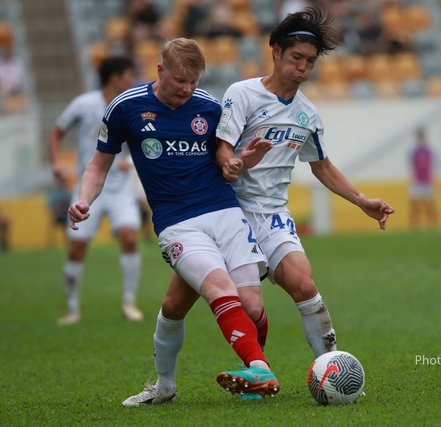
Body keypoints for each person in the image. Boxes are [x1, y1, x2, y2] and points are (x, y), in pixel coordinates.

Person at [157, 8, 393, 371]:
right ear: (276, 52)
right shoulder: (243, 93)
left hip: (272, 215)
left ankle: (332, 368)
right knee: (176, 305)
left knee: (304, 284)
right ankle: (167, 382)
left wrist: (362, 201)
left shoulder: (307, 114)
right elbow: (222, 147)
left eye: (310, 61)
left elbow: (322, 165)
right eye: (296, 57)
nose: (303, 67)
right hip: (226, 210)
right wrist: (231, 162)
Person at [68, 38, 280, 406]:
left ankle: (170, 388)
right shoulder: (125, 107)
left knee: (232, 307)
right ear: (160, 70)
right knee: (219, 288)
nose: (187, 89)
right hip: (178, 224)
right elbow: (98, 164)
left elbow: (226, 160)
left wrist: (240, 161)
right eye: (180, 80)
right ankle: (259, 369)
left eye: (194, 81)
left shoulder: (209, 107)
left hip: (225, 213)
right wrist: (84, 199)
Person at [49, 56, 144, 325]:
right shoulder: (83, 104)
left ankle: (129, 303)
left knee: (129, 237)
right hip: (88, 188)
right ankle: (72, 309)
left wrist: (129, 161)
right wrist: (56, 163)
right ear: (115, 77)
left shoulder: (131, 105)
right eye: (129, 75)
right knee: (77, 247)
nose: (133, 80)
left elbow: (142, 142)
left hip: (119, 189)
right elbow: (56, 133)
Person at [409, 128, 437, 230]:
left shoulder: (428, 151)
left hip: (427, 181)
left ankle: (431, 224)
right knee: (415, 205)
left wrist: (432, 178)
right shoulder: (414, 152)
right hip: (417, 181)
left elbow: (431, 165)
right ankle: (415, 225)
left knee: (430, 204)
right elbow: (412, 166)